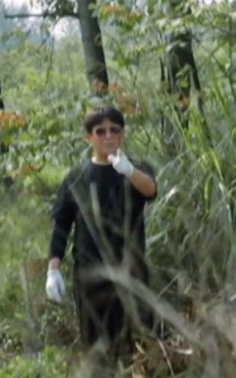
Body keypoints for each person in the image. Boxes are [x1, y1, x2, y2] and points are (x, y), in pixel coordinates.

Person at [45, 106, 158, 357]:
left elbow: (151, 190)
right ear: (89, 137)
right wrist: (53, 269)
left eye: (114, 130)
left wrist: (128, 171)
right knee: (96, 346)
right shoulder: (76, 177)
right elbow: (61, 225)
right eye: (100, 131)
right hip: (90, 276)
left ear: (122, 134)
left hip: (132, 272)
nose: (108, 136)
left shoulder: (136, 169)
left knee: (139, 343)